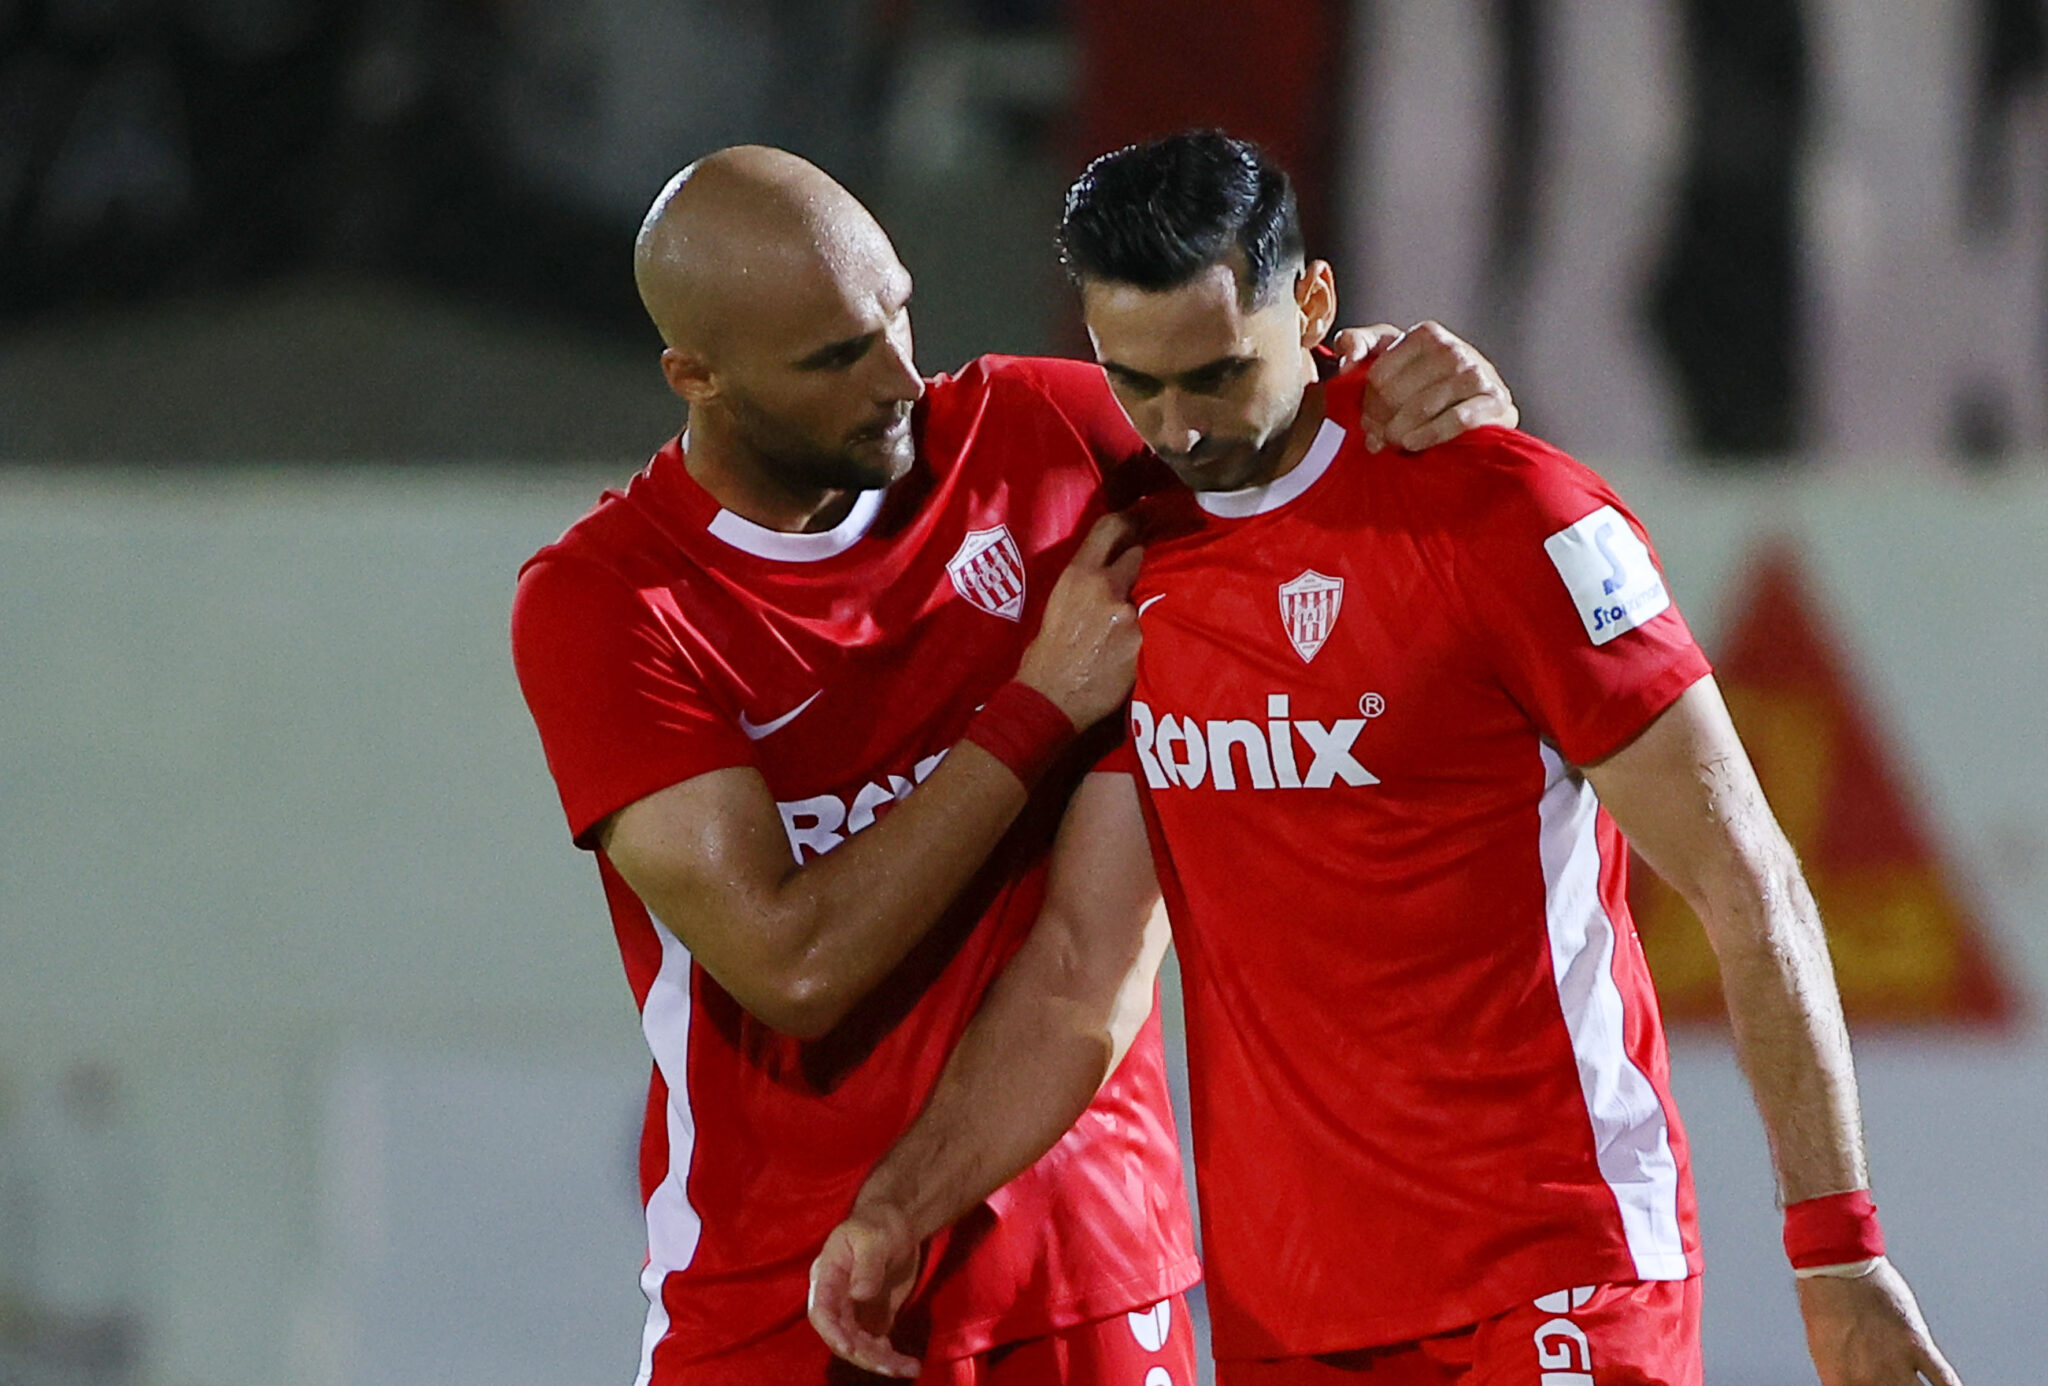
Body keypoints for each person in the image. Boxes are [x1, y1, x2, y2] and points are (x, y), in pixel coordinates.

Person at [807, 132, 1963, 1386]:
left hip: (1555, 1274)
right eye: (1134, 383)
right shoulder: (1127, 572)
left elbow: (1747, 881)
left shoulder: (1509, 516)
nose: (1178, 426)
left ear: (1311, 304)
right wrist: (900, 1206)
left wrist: (1838, 1255)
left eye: (1216, 374)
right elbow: (1083, 972)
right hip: (1289, 1317)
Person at [509, 143, 1517, 1386]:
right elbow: (793, 963)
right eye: (834, 357)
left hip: (1085, 1267)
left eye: (895, 315)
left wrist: (1402, 375)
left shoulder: (1039, 435)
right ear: (695, 374)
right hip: (783, 1290)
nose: (897, 375)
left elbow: (1264, 427)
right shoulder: (610, 604)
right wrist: (1036, 707)